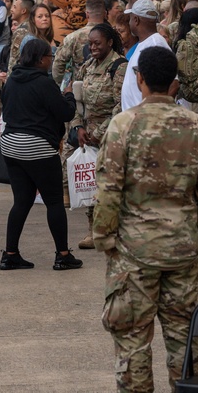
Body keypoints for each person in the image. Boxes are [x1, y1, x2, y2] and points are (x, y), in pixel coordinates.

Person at [94, 46, 198, 393]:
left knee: (133, 341)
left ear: (140, 79)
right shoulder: (197, 126)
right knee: (185, 339)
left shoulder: (123, 125)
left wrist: (105, 238)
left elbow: (108, 190)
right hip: (183, 248)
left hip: (135, 250)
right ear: (175, 84)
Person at [0, 37, 81, 271]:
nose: (51, 61)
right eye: (50, 57)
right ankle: (63, 255)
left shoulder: (12, 79)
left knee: (21, 201)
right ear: (41, 59)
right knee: (54, 201)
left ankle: (10, 254)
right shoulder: (44, 83)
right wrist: (69, 95)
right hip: (38, 147)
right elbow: (65, 113)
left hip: (10, 145)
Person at [68, 23, 127, 249]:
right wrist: (77, 127)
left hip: (111, 135)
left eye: (97, 43)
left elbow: (121, 105)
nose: (92, 47)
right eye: (90, 43)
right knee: (91, 184)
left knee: (112, 185)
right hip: (88, 136)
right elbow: (75, 100)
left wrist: (99, 133)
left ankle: (116, 231)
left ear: (109, 43)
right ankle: (93, 231)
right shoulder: (87, 66)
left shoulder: (119, 67)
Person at [120, 0, 172, 111]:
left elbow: (173, 83)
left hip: (145, 121)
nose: (129, 23)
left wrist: (154, 114)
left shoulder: (155, 44)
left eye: (130, 19)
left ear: (136, 20)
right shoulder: (145, 43)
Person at [53, 0, 106, 85]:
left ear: (87, 14)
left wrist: (61, 85)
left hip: (80, 88)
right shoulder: (114, 36)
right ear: (105, 14)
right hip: (107, 88)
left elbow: (58, 64)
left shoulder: (73, 37)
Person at [7, 0, 34, 71]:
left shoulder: (21, 31)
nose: (11, 10)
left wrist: (9, 79)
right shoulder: (32, 26)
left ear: (23, 11)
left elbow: (14, 59)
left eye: (15, 7)